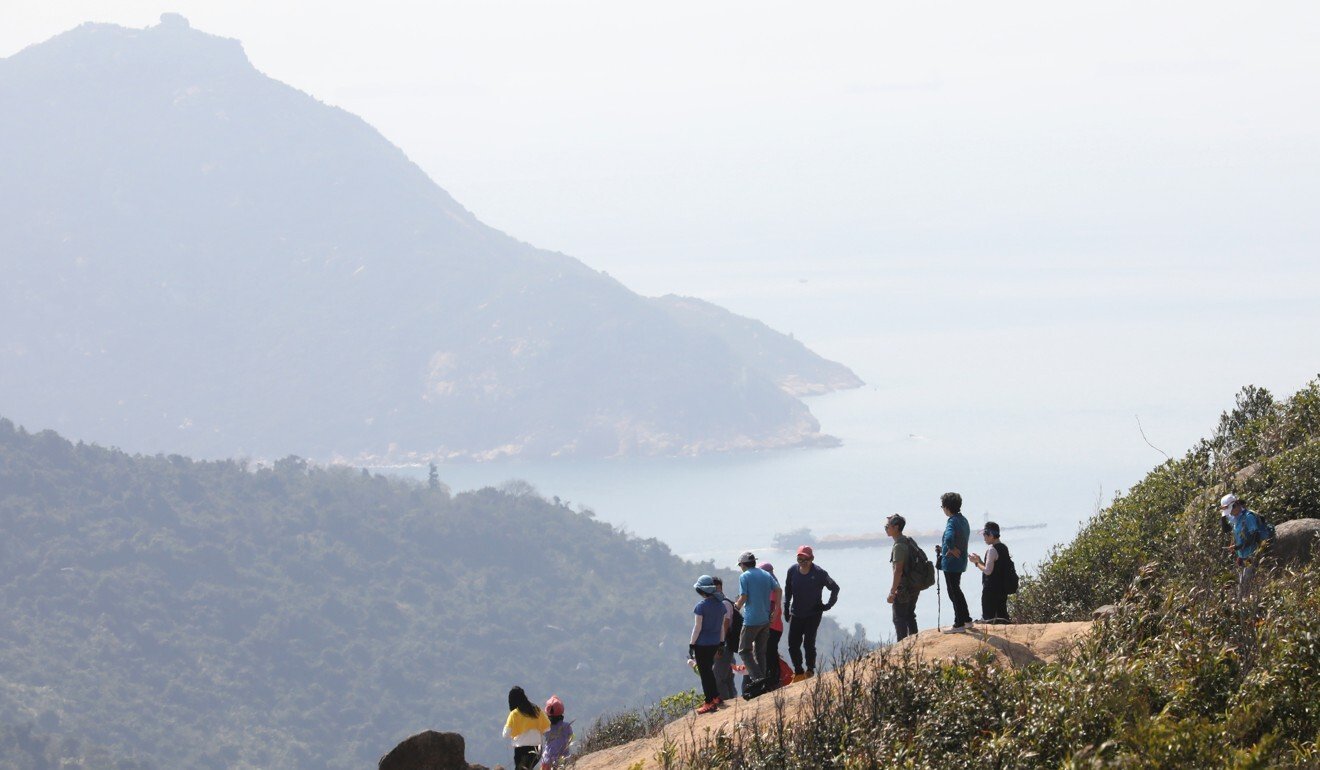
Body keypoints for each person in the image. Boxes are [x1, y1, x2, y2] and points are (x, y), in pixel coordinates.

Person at [782, 545, 839, 682]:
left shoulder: (819, 573)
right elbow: (788, 589)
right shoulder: (792, 570)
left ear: (812, 559)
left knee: (808, 643)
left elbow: (835, 588)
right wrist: (786, 608)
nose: (802, 562)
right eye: (799, 559)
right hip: (796, 613)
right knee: (793, 644)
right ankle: (798, 671)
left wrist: (828, 605)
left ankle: (810, 670)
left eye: (805, 559)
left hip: (813, 614)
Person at [732, 551, 776, 697]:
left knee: (743, 650)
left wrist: (736, 607)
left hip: (751, 620)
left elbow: (744, 596)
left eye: (740, 565)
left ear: (743, 564)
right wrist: (777, 609)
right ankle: (763, 681)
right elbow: (778, 589)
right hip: (765, 619)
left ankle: (758, 678)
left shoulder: (744, 576)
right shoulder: (765, 574)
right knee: (760, 652)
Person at [690, 574, 727, 713]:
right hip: (715, 643)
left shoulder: (701, 606)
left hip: (702, 645)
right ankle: (716, 696)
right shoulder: (721, 605)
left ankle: (709, 702)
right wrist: (722, 643)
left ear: (702, 591)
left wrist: (692, 644)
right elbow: (722, 627)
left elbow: (697, 628)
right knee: (708, 671)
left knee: (705, 674)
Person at [938, 492, 973, 631]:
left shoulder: (952, 521)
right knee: (957, 590)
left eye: (942, 506)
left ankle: (959, 623)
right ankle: (967, 619)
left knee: (953, 592)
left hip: (951, 563)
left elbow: (949, 537)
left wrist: (950, 548)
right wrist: (946, 548)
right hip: (961, 561)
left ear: (947, 507)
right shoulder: (963, 520)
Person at [885, 514, 920, 641]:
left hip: (903, 588)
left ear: (896, 527)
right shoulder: (909, 540)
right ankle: (915, 643)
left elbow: (898, 571)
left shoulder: (899, 546)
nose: (886, 529)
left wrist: (892, 592)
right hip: (914, 584)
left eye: (888, 526)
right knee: (910, 615)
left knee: (899, 618)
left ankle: (903, 647)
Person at [1221, 493, 1264, 596]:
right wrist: (1223, 514)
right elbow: (1226, 529)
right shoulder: (1236, 518)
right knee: (1242, 585)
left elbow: (1255, 536)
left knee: (1244, 586)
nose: (1230, 513)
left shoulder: (1248, 517)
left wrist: (1239, 546)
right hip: (1243, 556)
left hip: (1252, 555)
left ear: (1236, 505)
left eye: (1231, 509)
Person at [968, 521, 1010, 623]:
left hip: (991, 589)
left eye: (984, 535)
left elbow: (988, 571)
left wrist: (977, 563)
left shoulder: (992, 550)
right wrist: (981, 561)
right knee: (1002, 615)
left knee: (989, 617)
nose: (983, 538)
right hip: (1002, 588)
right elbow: (995, 567)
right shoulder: (1003, 548)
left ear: (990, 535)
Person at [503, 686, 550, 770]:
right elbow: (547, 728)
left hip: (521, 751)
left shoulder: (515, 714)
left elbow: (505, 734)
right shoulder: (536, 710)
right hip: (537, 750)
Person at [710, 577, 739, 702]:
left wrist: (719, 645)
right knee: (727, 676)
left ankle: (724, 701)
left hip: (724, 645)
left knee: (717, 676)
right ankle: (732, 700)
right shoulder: (716, 603)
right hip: (723, 644)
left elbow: (725, 624)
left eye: (718, 589)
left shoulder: (724, 603)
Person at [758, 562, 786, 690]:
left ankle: (773, 679)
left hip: (772, 627)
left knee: (770, 654)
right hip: (776, 627)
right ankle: (774, 678)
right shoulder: (774, 587)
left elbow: (771, 610)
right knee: (771, 653)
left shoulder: (771, 590)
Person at [540, 695, 572, 769]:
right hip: (563, 759)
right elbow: (570, 739)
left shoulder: (546, 727)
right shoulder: (567, 726)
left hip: (547, 760)